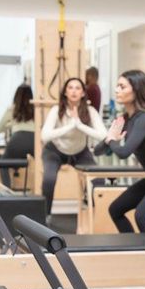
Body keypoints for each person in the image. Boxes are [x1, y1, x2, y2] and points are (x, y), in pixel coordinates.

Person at [94, 70, 145, 232]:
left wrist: (111, 139)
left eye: (122, 86)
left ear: (136, 89)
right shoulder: (127, 119)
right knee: (116, 210)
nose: (116, 90)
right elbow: (98, 151)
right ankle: (137, 251)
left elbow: (124, 152)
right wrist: (109, 139)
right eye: (117, 86)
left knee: (141, 216)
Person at [41, 77, 106, 215]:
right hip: (55, 151)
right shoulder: (57, 109)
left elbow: (103, 136)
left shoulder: (90, 111)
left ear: (83, 93)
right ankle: (45, 216)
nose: (74, 91)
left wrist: (80, 125)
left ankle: (91, 212)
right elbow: (44, 136)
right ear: (65, 92)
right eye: (70, 88)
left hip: (80, 152)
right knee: (49, 179)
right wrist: (71, 126)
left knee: (99, 179)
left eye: (78, 88)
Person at [0, 83, 35, 188]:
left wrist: (10, 124)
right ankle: (38, 190)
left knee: (3, 164)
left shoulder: (12, 109)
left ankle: (7, 191)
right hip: (34, 140)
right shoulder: (36, 108)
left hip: (17, 140)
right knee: (41, 164)